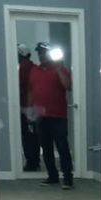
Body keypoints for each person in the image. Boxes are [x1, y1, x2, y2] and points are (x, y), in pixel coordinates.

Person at [26, 41, 74, 190]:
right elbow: (31, 91)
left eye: (44, 53)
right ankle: (52, 176)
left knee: (62, 147)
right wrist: (30, 111)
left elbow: (68, 86)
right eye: (39, 53)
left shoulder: (61, 69)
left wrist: (58, 67)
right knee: (46, 149)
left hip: (58, 116)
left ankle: (68, 178)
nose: (42, 56)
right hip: (40, 116)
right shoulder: (34, 70)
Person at [18, 44, 40, 172]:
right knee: (34, 135)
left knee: (27, 136)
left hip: (25, 106)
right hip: (35, 106)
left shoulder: (21, 68)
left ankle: (31, 162)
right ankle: (35, 160)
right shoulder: (35, 68)